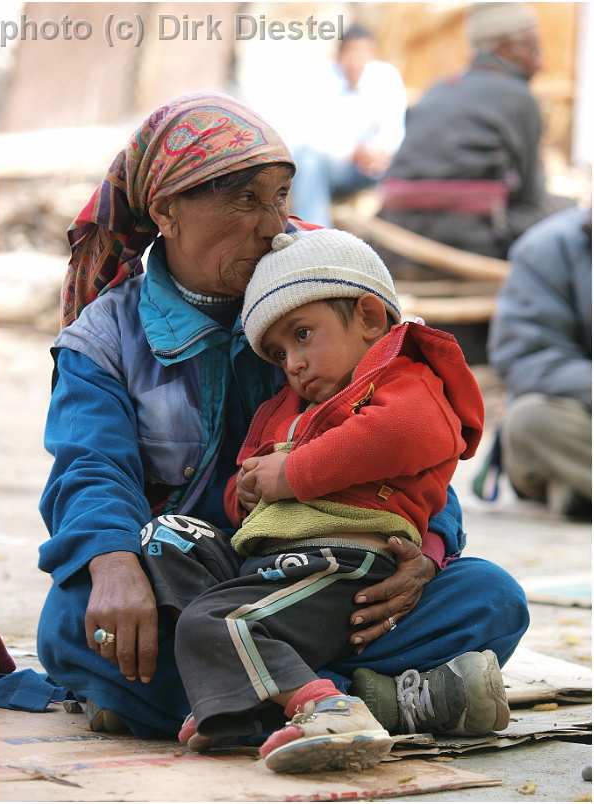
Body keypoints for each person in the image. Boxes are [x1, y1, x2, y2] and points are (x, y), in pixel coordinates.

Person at [37, 92, 528, 741]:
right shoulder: (105, 339)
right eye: (245, 200)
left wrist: (429, 549)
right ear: (166, 212)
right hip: (194, 588)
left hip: (326, 577)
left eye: (279, 197)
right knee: (80, 624)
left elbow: (410, 431)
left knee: (489, 597)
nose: (273, 225)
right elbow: (89, 468)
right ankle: (381, 701)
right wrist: (112, 563)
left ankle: (233, 708)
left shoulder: (323, 298)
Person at [147, 228, 509, 773]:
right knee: (165, 537)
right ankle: (262, 697)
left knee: (211, 624)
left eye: (302, 335)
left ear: (367, 318)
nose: (291, 361)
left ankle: (329, 708)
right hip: (268, 564)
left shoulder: (404, 378)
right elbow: (248, 487)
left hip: (343, 562)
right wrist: (243, 491)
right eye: (277, 352)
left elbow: (407, 433)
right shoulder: (283, 405)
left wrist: (292, 472)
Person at [380, 2, 570, 258]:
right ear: (506, 48)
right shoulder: (518, 96)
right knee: (569, 214)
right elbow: (530, 196)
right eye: (533, 48)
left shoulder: (439, 88)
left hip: (397, 228)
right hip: (468, 235)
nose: (541, 62)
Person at [484, 207, 591, 517]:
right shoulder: (547, 248)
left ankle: (578, 488)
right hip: (579, 413)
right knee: (531, 420)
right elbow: (526, 358)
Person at [291, 24, 406, 227]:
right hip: (337, 168)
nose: (358, 61)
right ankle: (316, 237)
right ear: (339, 55)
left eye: (365, 53)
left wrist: (379, 154)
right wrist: (350, 153)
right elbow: (307, 137)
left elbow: (394, 131)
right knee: (308, 160)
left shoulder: (386, 77)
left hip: (379, 167)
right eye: (352, 53)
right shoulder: (320, 80)